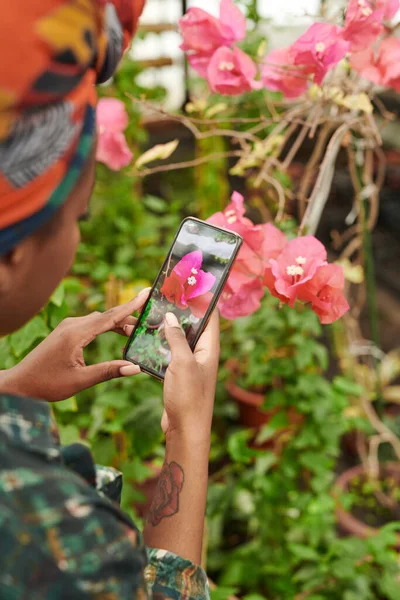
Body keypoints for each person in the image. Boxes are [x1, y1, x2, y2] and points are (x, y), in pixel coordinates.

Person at [0, 2, 219, 599]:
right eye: (78, 215)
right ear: (13, 255)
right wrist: (188, 425)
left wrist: (12, 386)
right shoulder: (41, 529)